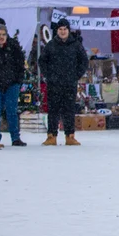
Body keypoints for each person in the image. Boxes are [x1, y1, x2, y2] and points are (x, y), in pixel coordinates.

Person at [38, 18, 88, 146]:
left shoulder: (76, 45)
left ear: (68, 30)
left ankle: (70, 136)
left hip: (70, 83)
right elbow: (42, 61)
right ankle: (51, 136)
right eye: (60, 29)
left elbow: (84, 61)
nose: (62, 31)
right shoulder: (51, 45)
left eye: (65, 29)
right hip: (54, 84)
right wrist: (49, 75)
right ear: (57, 31)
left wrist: (76, 75)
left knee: (69, 110)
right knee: (53, 110)